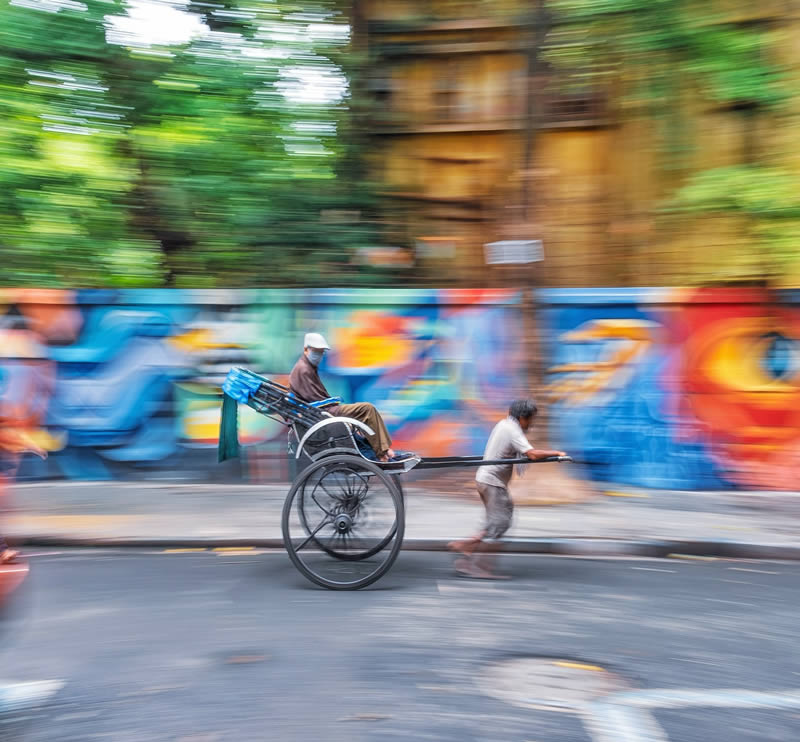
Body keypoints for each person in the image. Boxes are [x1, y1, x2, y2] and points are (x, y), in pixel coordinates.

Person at [448, 399, 566, 579]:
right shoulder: (512, 430)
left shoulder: (505, 424)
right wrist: (556, 453)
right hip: (492, 482)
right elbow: (532, 454)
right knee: (500, 523)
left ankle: (465, 546)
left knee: (498, 520)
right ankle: (478, 567)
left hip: (488, 480)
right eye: (531, 419)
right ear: (522, 417)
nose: (532, 424)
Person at [289, 333, 397, 462]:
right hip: (323, 412)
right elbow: (315, 400)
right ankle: (382, 452)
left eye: (321, 352)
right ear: (306, 349)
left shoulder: (307, 367)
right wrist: (333, 402)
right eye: (316, 351)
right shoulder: (303, 369)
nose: (319, 356)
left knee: (365, 410)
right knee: (367, 409)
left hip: (324, 410)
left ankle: (380, 449)